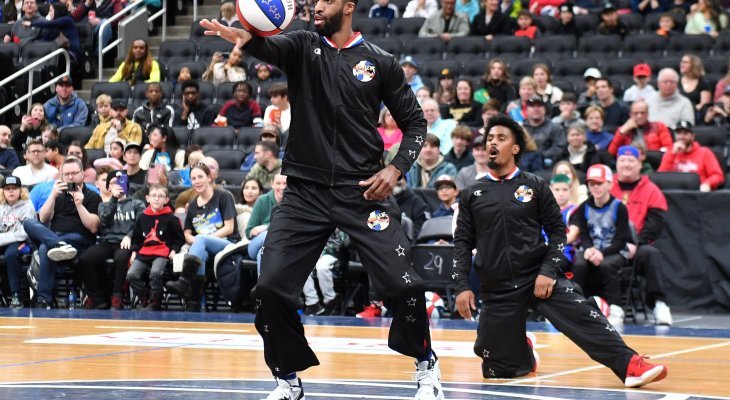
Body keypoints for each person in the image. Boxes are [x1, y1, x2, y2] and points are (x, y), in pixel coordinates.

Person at [200, 5, 443, 398]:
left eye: (326, 1)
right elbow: (268, 47)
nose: (316, 6)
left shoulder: (381, 62)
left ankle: (426, 366)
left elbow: (416, 123)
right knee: (269, 289)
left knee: (405, 285)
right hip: (304, 192)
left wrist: (396, 168)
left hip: (362, 191)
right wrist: (248, 39)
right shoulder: (302, 45)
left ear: (348, 6)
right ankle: (287, 378)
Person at [453, 114, 668, 388]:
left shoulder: (536, 185)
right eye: (489, 138)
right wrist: (461, 286)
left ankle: (630, 364)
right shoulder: (472, 192)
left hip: (538, 276)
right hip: (497, 286)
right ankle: (523, 352)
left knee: (583, 314)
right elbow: (461, 243)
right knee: (500, 372)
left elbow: (558, 232)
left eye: (501, 138)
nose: (492, 142)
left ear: (515, 148)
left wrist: (548, 270)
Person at [23, 157, 102, 309]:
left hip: (79, 241)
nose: (70, 177)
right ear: (61, 175)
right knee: (28, 223)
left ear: (82, 174)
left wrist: (79, 205)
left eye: (74, 173)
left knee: (45, 248)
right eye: (67, 174)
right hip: (56, 237)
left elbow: (93, 227)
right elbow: (44, 219)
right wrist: (52, 196)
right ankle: (57, 243)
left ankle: (43, 299)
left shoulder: (92, 195)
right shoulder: (56, 194)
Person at [610, 145, 673, 325]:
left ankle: (659, 304)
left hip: (637, 248)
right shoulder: (607, 186)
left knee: (651, 254)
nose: (626, 164)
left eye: (631, 160)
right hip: (609, 245)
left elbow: (655, 225)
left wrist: (635, 243)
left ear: (640, 164)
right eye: (622, 160)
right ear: (617, 163)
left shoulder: (651, 190)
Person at [166, 162, 240, 311]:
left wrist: (202, 239)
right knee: (201, 253)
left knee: (201, 241)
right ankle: (194, 302)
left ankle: (183, 281)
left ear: (209, 177)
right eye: (193, 178)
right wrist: (194, 240)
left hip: (227, 243)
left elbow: (229, 228)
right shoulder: (192, 205)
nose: (197, 181)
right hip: (203, 245)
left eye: (200, 177)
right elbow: (187, 232)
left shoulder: (224, 196)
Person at [568, 164, 631, 327]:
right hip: (591, 249)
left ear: (610, 184)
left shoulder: (620, 208)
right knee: (579, 263)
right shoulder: (584, 207)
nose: (595, 187)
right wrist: (589, 249)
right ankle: (576, 307)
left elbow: (621, 240)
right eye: (592, 184)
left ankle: (616, 309)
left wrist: (602, 253)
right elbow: (584, 235)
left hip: (614, 251)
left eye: (599, 183)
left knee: (607, 265)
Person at [77, 169, 145, 310]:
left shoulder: (137, 204)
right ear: (108, 187)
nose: (117, 185)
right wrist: (113, 199)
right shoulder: (103, 205)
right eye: (113, 183)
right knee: (85, 259)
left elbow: (141, 226)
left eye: (120, 182)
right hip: (108, 241)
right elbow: (106, 221)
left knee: (121, 258)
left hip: (126, 242)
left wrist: (129, 236)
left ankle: (117, 296)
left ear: (126, 184)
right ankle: (96, 296)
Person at [124, 184, 186, 311]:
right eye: (154, 196)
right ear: (147, 198)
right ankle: (145, 297)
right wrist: (135, 251)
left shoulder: (171, 218)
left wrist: (174, 250)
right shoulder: (142, 217)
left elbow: (180, 238)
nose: (157, 199)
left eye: (160, 196)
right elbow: (136, 238)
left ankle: (156, 301)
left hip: (162, 252)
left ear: (166, 200)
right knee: (131, 274)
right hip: (144, 251)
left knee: (155, 273)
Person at [0, 176, 36, 308]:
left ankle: (16, 296)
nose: (11, 192)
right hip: (5, 241)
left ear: (20, 191)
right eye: (7, 189)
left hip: (25, 243)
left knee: (11, 255)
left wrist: (2, 239)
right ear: (2, 191)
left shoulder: (27, 206)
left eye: (14, 188)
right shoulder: (0, 206)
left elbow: (23, 234)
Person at [657, 120, 724, 191]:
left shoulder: (705, 152)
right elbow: (660, 177)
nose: (682, 137)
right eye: (679, 133)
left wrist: (707, 184)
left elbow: (718, 176)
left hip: (696, 193)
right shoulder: (670, 153)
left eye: (685, 133)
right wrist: (672, 154)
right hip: (674, 192)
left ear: (692, 136)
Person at [245, 173, 286, 274]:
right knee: (267, 235)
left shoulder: (293, 202)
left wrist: (266, 227)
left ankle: (262, 288)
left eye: (285, 183)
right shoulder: (262, 200)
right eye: (278, 183)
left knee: (262, 254)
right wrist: (262, 231)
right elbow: (248, 231)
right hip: (256, 245)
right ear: (272, 184)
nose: (282, 187)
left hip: (278, 248)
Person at [302, 228, 347, 315]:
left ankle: (331, 299)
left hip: (333, 254)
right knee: (302, 267)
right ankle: (313, 303)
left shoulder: (342, 223)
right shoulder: (318, 221)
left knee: (321, 266)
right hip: (316, 252)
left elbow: (340, 245)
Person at [609, 100, 673, 156]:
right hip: (630, 162)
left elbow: (669, 149)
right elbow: (611, 153)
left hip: (653, 163)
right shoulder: (623, 130)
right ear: (631, 115)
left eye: (642, 113)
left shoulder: (659, 126)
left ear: (647, 114)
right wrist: (622, 132)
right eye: (636, 113)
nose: (639, 116)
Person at [522, 95, 566, 166]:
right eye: (532, 106)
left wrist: (539, 155)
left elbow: (559, 148)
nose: (536, 109)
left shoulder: (555, 128)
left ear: (545, 109)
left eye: (539, 106)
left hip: (547, 166)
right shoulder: (521, 128)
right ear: (526, 110)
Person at [549, 173, 577, 262]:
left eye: (565, 189)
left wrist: (552, 244)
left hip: (564, 252)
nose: (561, 193)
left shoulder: (574, 211)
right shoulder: (543, 210)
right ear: (550, 190)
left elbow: (573, 235)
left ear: (570, 191)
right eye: (557, 190)